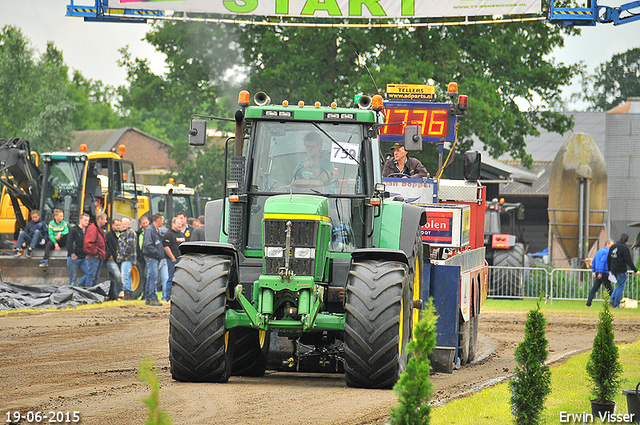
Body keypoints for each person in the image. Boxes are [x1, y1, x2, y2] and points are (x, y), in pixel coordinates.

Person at [606, 233, 640, 308]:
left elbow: (608, 259)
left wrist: (609, 269)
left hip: (613, 269)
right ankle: (617, 304)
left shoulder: (613, 246)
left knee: (619, 285)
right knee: (621, 286)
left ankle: (612, 300)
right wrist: (635, 270)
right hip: (621, 269)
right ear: (626, 240)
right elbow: (628, 260)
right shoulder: (624, 248)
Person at [142, 213, 164, 306]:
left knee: (151, 276)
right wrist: (157, 252)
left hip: (154, 257)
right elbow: (147, 245)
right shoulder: (150, 230)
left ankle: (148, 297)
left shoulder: (155, 230)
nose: (163, 221)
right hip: (151, 257)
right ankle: (152, 297)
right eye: (162, 219)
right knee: (153, 277)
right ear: (158, 220)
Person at [162, 217, 186, 302]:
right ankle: (167, 297)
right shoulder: (168, 234)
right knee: (171, 278)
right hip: (172, 260)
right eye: (178, 224)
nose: (180, 225)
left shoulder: (181, 234)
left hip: (181, 260)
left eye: (181, 224)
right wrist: (172, 257)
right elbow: (166, 247)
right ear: (173, 224)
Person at [586, 240, 614, 307]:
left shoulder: (599, 251)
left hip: (598, 271)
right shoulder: (607, 252)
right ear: (607, 244)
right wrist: (601, 272)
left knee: (595, 288)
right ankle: (615, 303)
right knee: (609, 288)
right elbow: (602, 262)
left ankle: (588, 303)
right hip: (603, 272)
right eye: (611, 244)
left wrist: (594, 271)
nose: (612, 246)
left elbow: (594, 261)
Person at [83, 213, 108, 288]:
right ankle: (88, 293)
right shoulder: (93, 229)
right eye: (105, 219)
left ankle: (91, 293)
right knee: (91, 276)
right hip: (94, 257)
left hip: (98, 256)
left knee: (95, 277)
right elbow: (88, 244)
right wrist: (96, 252)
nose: (106, 221)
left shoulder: (99, 229)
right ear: (100, 219)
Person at [67, 213, 91, 287]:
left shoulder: (88, 231)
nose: (87, 222)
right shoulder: (74, 230)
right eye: (85, 220)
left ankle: (79, 286)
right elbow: (69, 243)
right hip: (74, 257)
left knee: (89, 273)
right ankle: (71, 291)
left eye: (88, 220)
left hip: (83, 257)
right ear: (80, 220)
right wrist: (72, 254)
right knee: (73, 277)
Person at [117, 217, 137, 300]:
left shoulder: (130, 232)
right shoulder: (123, 233)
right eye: (123, 224)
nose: (123, 225)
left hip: (128, 258)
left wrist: (124, 254)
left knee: (125, 276)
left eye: (125, 224)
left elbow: (130, 245)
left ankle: (127, 294)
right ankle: (129, 295)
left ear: (129, 224)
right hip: (124, 258)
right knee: (127, 276)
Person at [105, 218, 123, 300]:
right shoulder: (108, 235)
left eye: (119, 225)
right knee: (118, 276)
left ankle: (114, 295)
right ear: (112, 225)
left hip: (119, 260)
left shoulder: (122, 235)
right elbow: (105, 246)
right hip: (110, 260)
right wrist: (109, 255)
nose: (118, 227)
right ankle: (115, 294)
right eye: (116, 225)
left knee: (115, 278)